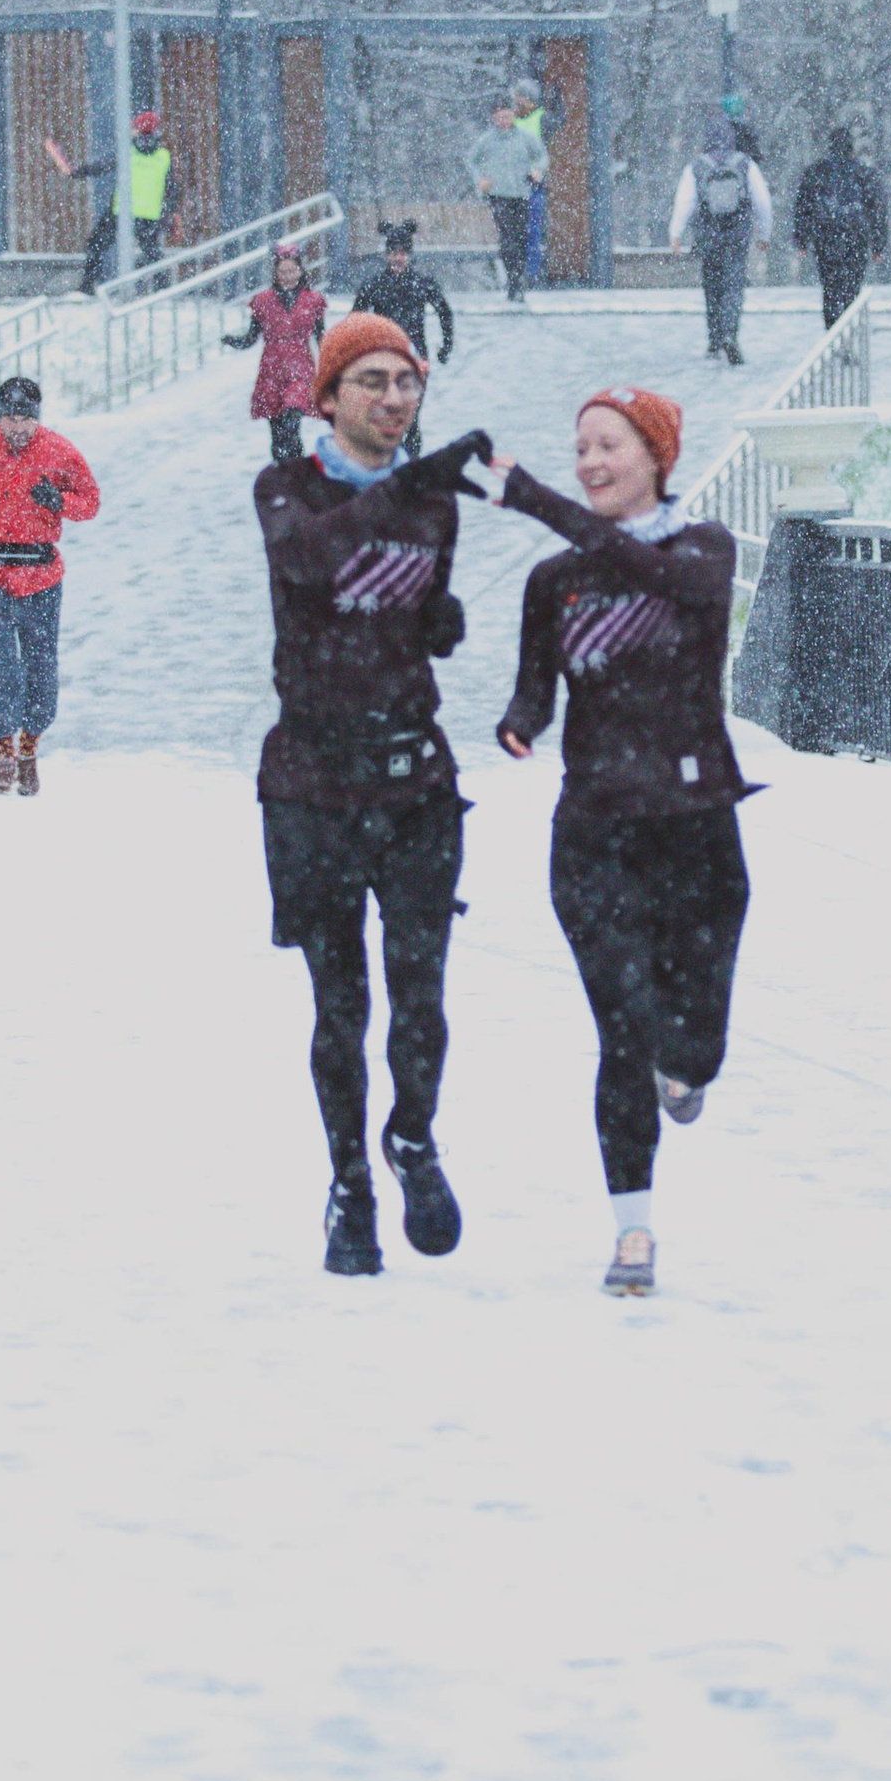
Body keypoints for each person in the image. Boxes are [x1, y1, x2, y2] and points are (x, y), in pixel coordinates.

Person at [491, 385, 749, 1299]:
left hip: (697, 831)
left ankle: (687, 1073)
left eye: (610, 446)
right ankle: (632, 1232)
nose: (591, 464)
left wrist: (537, 502)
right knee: (622, 1030)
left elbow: (665, 583)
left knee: (694, 1046)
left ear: (656, 456)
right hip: (595, 834)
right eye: (581, 449)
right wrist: (518, 723)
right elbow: (537, 692)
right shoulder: (553, 582)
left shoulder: (704, 552)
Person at [254, 313, 497, 1277]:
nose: (395, 399)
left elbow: (419, 613)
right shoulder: (284, 488)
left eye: (408, 383)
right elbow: (310, 563)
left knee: (422, 991)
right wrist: (405, 490)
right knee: (341, 1004)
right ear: (329, 396)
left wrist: (442, 619)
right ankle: (349, 1183)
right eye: (374, 382)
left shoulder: (434, 504)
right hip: (312, 781)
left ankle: (414, 1138)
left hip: (413, 780)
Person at [0, 371, 101, 795]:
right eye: (9, 419)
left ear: (36, 418)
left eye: (24, 419)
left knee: (40, 665)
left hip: (42, 572)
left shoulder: (60, 452)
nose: (16, 428)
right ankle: (4, 756)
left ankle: (30, 749)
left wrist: (60, 502)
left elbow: (91, 501)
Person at [669, 109, 772, 364]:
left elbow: (685, 201)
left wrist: (676, 234)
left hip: (708, 233)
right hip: (737, 233)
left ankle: (714, 339)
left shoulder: (697, 166)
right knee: (734, 285)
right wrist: (764, 233)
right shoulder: (745, 163)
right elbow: (762, 201)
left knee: (712, 286)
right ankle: (730, 333)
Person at [348, 220, 456, 459]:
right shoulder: (375, 285)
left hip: (414, 358)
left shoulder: (421, 284)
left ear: (409, 255)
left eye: (403, 253)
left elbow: (444, 312)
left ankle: (409, 466)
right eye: (393, 252)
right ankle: (389, 464)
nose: (398, 258)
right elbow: (354, 320)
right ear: (386, 254)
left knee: (410, 418)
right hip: (382, 359)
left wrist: (446, 345)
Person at [226, 241, 329, 465]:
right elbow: (251, 338)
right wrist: (234, 341)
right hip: (272, 369)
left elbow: (322, 338)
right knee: (277, 431)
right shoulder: (263, 302)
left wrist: (336, 361)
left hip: (300, 368)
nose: (288, 276)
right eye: (283, 271)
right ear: (275, 273)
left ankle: (296, 468)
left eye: (292, 270)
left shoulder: (313, 301)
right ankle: (282, 472)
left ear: (301, 271)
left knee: (292, 418)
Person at [791, 122, 887, 333]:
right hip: (856, 236)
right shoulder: (864, 173)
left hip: (826, 236)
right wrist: (878, 245)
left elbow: (803, 206)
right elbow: (876, 209)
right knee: (852, 288)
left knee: (830, 288)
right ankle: (848, 331)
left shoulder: (816, 172)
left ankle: (833, 333)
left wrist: (801, 239)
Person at [77, 111, 175, 295]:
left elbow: (101, 166)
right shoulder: (164, 156)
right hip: (149, 214)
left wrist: (78, 171)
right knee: (152, 253)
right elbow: (172, 188)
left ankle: (87, 287)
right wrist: (170, 213)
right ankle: (163, 289)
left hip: (122, 211)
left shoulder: (128, 151)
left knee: (96, 244)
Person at [468, 94, 547, 305]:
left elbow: (541, 155)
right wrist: (480, 180)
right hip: (498, 195)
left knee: (521, 237)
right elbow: (472, 161)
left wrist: (537, 170)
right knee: (508, 237)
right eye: (500, 117)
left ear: (513, 115)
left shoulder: (524, 137)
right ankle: (513, 278)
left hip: (520, 193)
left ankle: (517, 280)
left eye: (508, 116)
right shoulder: (487, 141)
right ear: (494, 118)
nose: (504, 121)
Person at [510, 78, 551, 295]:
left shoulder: (541, 119)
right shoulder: (511, 122)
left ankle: (531, 274)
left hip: (533, 183)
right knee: (515, 233)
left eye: (521, 98)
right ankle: (518, 275)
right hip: (513, 185)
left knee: (532, 231)